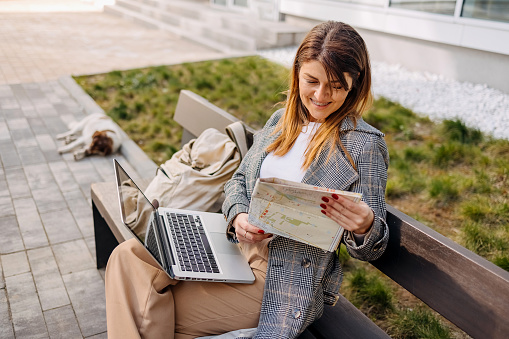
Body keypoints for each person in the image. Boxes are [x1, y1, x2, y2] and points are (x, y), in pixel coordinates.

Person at [105, 21, 389, 339]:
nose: (321, 95)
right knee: (127, 256)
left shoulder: (364, 144)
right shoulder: (281, 120)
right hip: (234, 243)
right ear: (297, 72)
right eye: (312, 80)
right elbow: (239, 180)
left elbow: (373, 248)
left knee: (145, 307)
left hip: (281, 279)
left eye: (336, 86)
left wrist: (365, 227)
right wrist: (238, 214)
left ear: (355, 84)